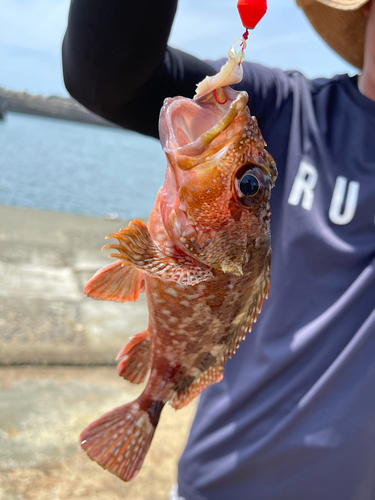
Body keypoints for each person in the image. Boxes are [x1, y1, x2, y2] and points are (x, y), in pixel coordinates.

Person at [62, 0, 375, 498]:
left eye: (249, 182)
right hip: (219, 484)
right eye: (251, 183)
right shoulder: (287, 108)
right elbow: (108, 77)